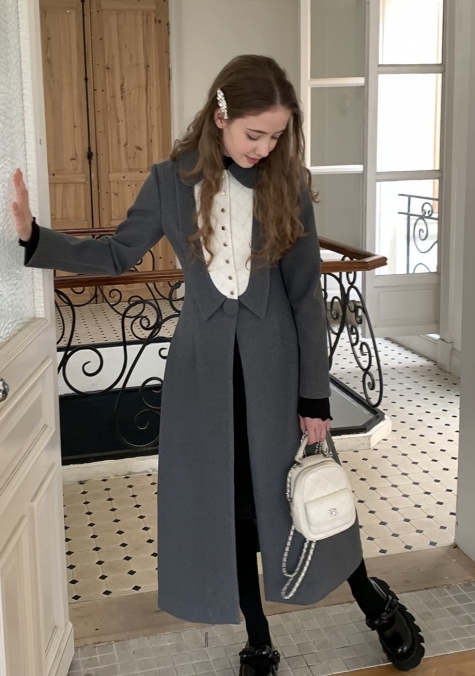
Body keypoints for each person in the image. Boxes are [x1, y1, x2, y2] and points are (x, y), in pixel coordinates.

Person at [12, 55, 424, 674]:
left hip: (277, 373)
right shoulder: (168, 182)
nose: (265, 148)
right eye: (255, 134)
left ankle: (373, 600)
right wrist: (34, 237)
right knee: (230, 508)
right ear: (221, 114)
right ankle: (258, 637)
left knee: (311, 493)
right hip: (203, 378)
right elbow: (119, 253)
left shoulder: (287, 183)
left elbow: (305, 296)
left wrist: (314, 394)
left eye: (276, 136)